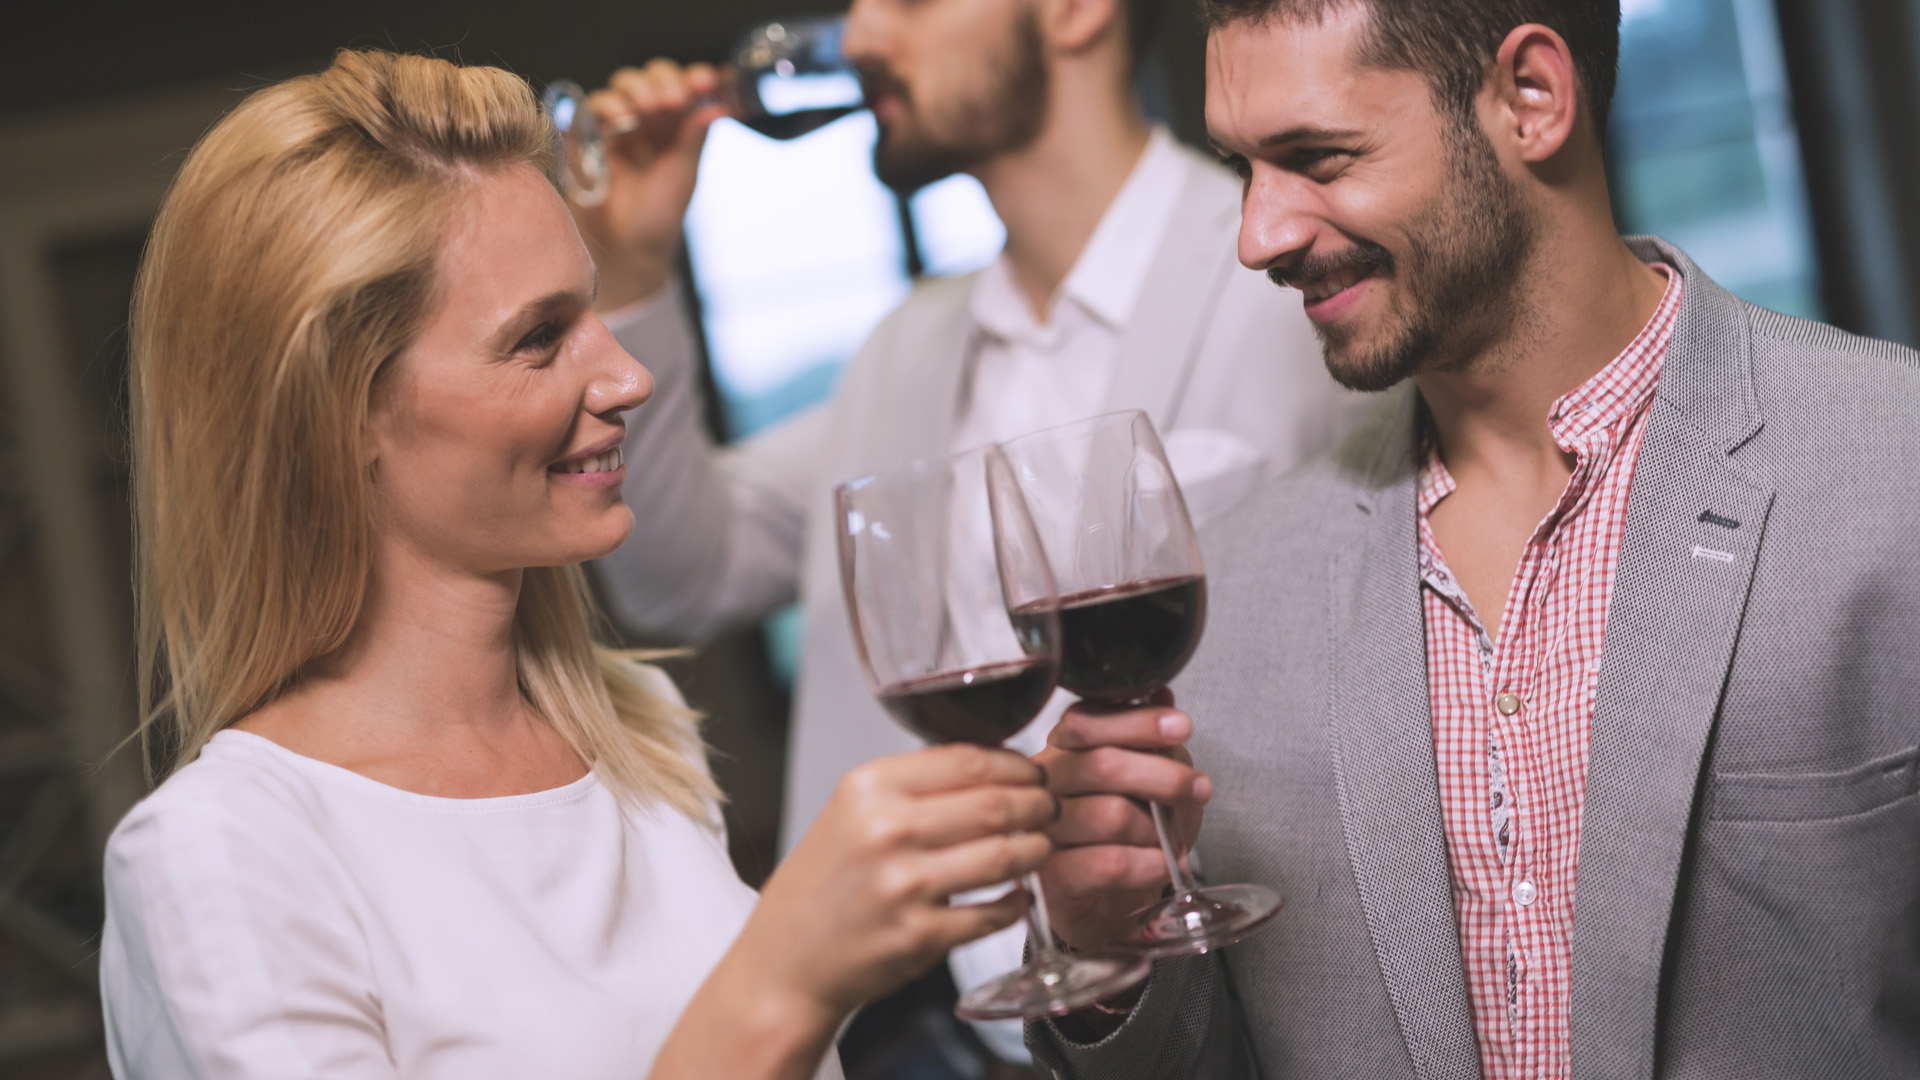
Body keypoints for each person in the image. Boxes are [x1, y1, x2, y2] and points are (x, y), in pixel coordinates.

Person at [99, 49, 1061, 1080]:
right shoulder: (224, 859)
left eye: (594, 312)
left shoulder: (641, 735)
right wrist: (782, 983)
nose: (630, 375)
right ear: (342, 413)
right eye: (539, 338)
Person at [1029, 1, 1920, 1077]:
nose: (1258, 235)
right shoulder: (1231, 597)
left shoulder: (1893, 468)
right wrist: (1104, 952)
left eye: (1317, 156)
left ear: (1531, 98)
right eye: (1244, 167)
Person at [575, 1, 1362, 1054]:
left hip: (1218, 1026)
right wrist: (629, 266)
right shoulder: (901, 351)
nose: (858, 40)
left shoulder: (1301, 288)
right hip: (912, 1041)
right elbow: (683, 573)